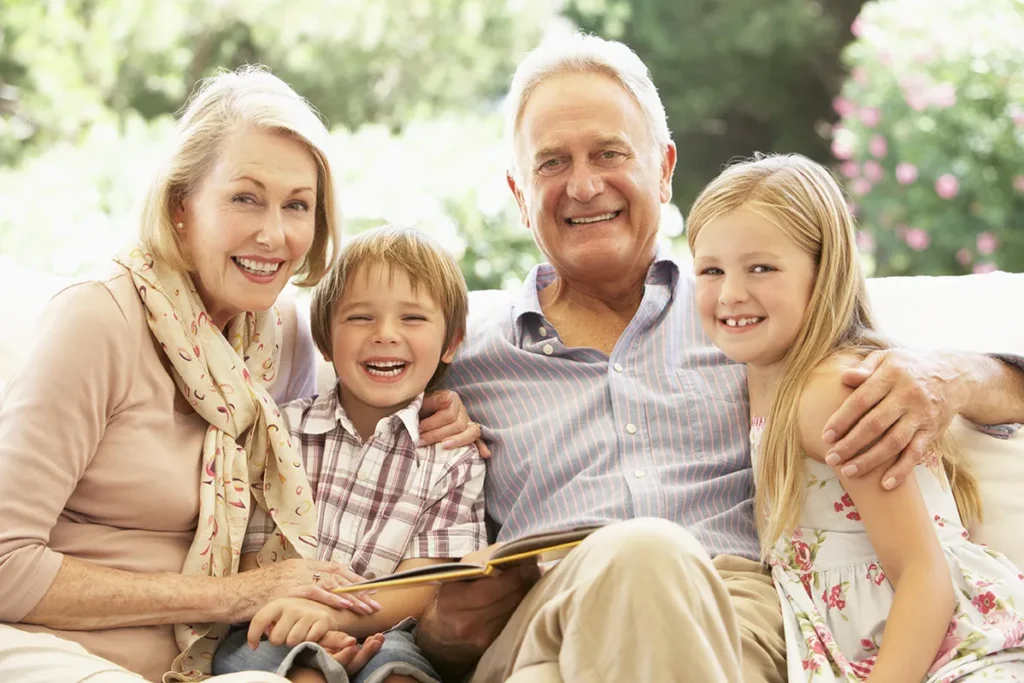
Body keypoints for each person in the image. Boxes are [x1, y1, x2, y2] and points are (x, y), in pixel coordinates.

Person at [413, 34, 1024, 683]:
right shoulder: (458, 358)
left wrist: (952, 377)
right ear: (517, 191)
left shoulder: (752, 317)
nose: (585, 184)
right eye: (552, 163)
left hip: (735, 618)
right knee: (634, 558)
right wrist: (441, 632)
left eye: (610, 152)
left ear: (665, 167)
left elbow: (897, 361)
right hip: (546, 619)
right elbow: (384, 547)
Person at [0, 68, 480, 683]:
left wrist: (442, 404)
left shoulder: (277, 335)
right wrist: (237, 595)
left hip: (222, 663)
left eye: (297, 206)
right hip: (57, 653)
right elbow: (7, 565)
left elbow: (372, 395)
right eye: (245, 197)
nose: (273, 234)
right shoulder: (98, 320)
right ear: (181, 205)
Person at [688, 153, 1024, 682]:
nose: (731, 293)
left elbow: (923, 575)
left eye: (761, 267)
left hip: (951, 650)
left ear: (823, 276)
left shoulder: (830, 392)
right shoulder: (759, 374)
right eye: (711, 270)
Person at [212, 225, 487, 683]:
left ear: (451, 343)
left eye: (413, 319)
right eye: (360, 318)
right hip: (273, 623)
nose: (385, 335)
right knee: (298, 673)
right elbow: (246, 551)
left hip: (392, 631)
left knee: (401, 676)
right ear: (325, 339)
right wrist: (306, 618)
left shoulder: (451, 456)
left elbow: (424, 583)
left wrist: (339, 619)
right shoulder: (281, 431)